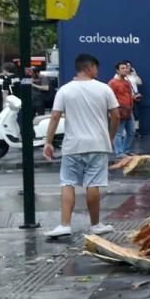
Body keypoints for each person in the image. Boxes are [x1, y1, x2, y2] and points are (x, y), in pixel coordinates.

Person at [42, 53, 118, 238]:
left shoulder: (65, 90)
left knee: (67, 183)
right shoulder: (104, 89)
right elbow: (115, 115)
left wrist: (48, 142)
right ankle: (95, 224)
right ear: (89, 67)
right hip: (98, 143)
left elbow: (54, 116)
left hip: (72, 144)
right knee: (94, 184)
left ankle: (65, 224)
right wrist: (110, 136)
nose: (97, 72)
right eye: (96, 68)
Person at [108, 60, 137, 159]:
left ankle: (126, 150)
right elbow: (109, 97)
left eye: (126, 68)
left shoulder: (127, 81)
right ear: (117, 70)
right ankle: (119, 152)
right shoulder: (112, 83)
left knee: (132, 131)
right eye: (122, 68)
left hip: (129, 110)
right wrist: (111, 111)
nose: (125, 70)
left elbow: (128, 95)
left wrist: (134, 98)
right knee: (118, 132)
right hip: (119, 111)